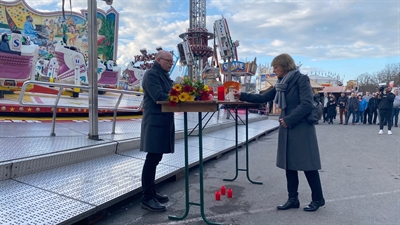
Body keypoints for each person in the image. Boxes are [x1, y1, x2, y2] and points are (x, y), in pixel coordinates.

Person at [234, 53, 325, 212]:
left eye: (276, 67)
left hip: (301, 126)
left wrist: (289, 119)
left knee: (308, 165)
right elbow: (263, 98)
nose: (274, 70)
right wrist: (242, 95)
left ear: (284, 66)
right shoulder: (281, 83)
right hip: (287, 126)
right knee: (289, 165)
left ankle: (318, 199)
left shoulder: (301, 79)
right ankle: (292, 199)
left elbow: (307, 104)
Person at [140, 50, 175, 212]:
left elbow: (172, 91)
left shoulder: (164, 76)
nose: (171, 64)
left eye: (172, 62)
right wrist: (180, 96)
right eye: (168, 61)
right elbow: (159, 96)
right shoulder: (151, 75)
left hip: (163, 121)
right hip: (155, 122)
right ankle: (147, 197)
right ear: (158, 60)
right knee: (152, 158)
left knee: (156, 157)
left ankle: (151, 191)